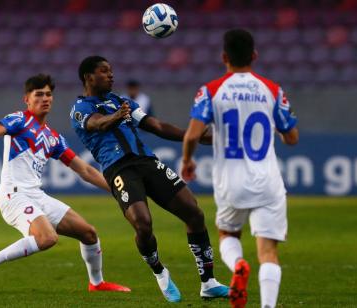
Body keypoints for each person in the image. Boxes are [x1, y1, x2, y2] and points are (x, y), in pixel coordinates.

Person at [69, 56, 229, 302]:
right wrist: (115, 118)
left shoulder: (122, 101)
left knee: (194, 213)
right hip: (118, 169)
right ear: (88, 77)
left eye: (111, 70)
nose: (111, 75)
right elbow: (97, 124)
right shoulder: (80, 109)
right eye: (104, 71)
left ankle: (208, 282)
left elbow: (155, 125)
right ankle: (160, 272)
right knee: (143, 223)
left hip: (146, 161)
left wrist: (193, 136)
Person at [0, 74, 130, 293]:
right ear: (27, 99)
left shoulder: (52, 137)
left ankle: (97, 283)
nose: (45, 98)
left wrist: (116, 188)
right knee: (47, 238)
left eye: (48, 94)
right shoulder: (19, 119)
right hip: (14, 195)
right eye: (39, 95)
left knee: (89, 233)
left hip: (36, 195)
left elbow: (84, 169)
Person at [181, 29, 299, 308]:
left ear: (224, 57)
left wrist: (187, 160)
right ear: (254, 56)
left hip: (231, 182)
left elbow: (191, 135)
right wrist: (280, 130)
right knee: (269, 252)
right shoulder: (272, 90)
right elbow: (292, 138)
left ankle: (238, 266)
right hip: (268, 181)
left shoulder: (210, 91)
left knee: (227, 234)